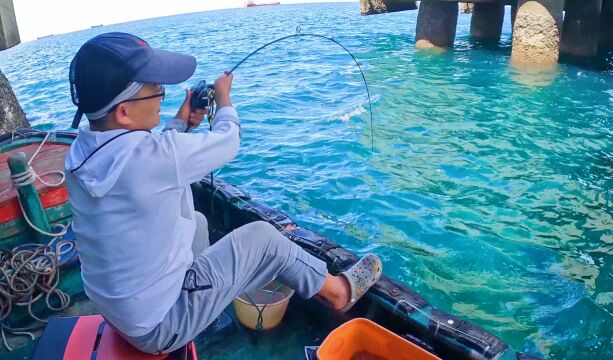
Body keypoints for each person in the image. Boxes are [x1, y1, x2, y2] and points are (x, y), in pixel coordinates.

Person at [64, 32, 382, 354]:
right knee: (262, 238)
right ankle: (338, 291)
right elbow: (228, 141)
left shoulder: (81, 153)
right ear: (124, 112)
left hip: (119, 308)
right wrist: (224, 98)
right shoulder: (154, 158)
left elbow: (144, 164)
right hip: (160, 326)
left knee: (198, 222)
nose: (162, 94)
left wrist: (180, 125)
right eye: (155, 89)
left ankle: (208, 313)